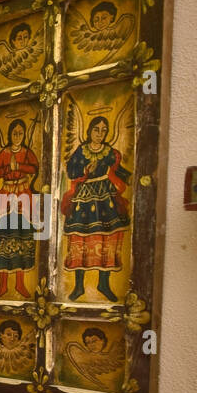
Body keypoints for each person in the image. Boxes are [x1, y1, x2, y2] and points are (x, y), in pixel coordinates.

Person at [61, 115, 130, 301]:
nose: (100, 134)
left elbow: (118, 170)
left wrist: (132, 178)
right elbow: (70, 170)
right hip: (84, 197)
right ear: (89, 131)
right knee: (81, 240)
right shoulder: (81, 151)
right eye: (96, 129)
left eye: (103, 130)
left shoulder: (110, 153)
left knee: (107, 238)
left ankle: (104, 284)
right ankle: (78, 287)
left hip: (104, 198)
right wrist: (84, 170)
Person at [0, 119, 40, 298]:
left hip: (24, 194)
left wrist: (19, 167)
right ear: (10, 134)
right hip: (7, 194)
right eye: (15, 133)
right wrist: (7, 170)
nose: (17, 136)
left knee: (23, 237)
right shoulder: (4, 153)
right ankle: (2, 285)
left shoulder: (26, 152)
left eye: (20, 133)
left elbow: (35, 168)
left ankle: (20, 284)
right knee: (3, 237)